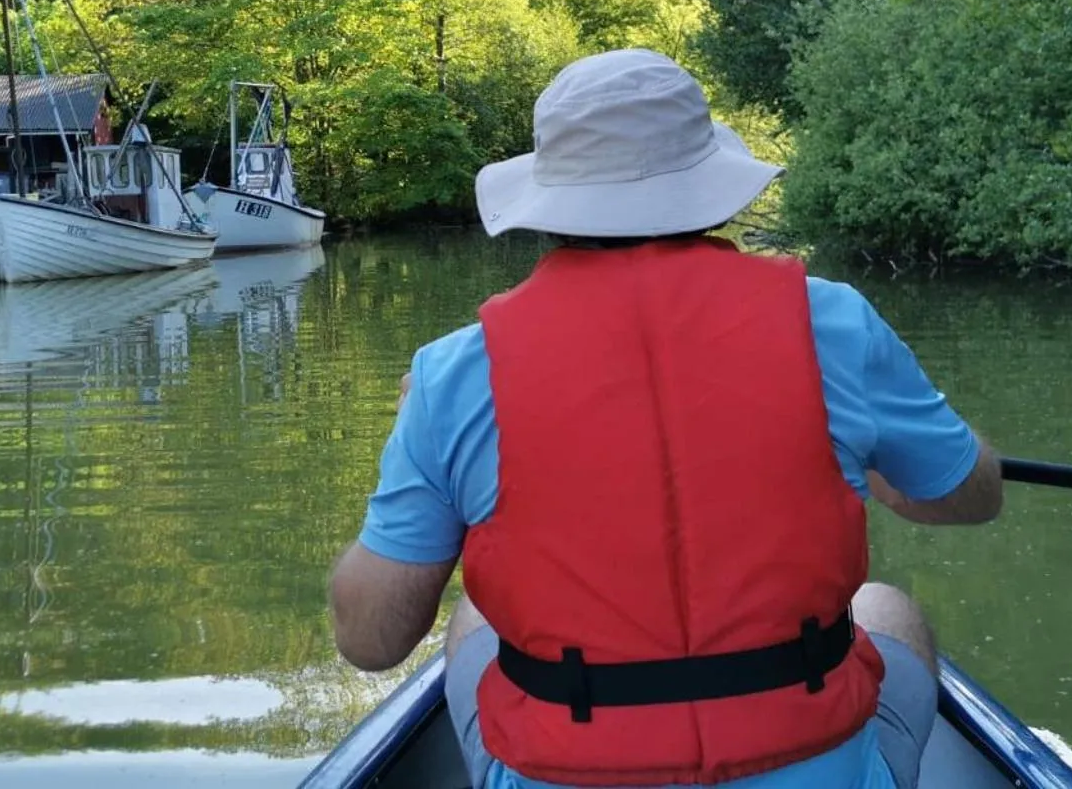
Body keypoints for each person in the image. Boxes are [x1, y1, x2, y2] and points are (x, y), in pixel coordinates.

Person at [328, 48, 1003, 789]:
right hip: (809, 762)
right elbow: (970, 496)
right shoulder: (835, 324)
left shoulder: (455, 373)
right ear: (714, 192)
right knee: (884, 607)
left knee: (475, 620)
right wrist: (880, 465)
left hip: (567, 763)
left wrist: (418, 446)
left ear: (550, 208)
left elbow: (370, 639)